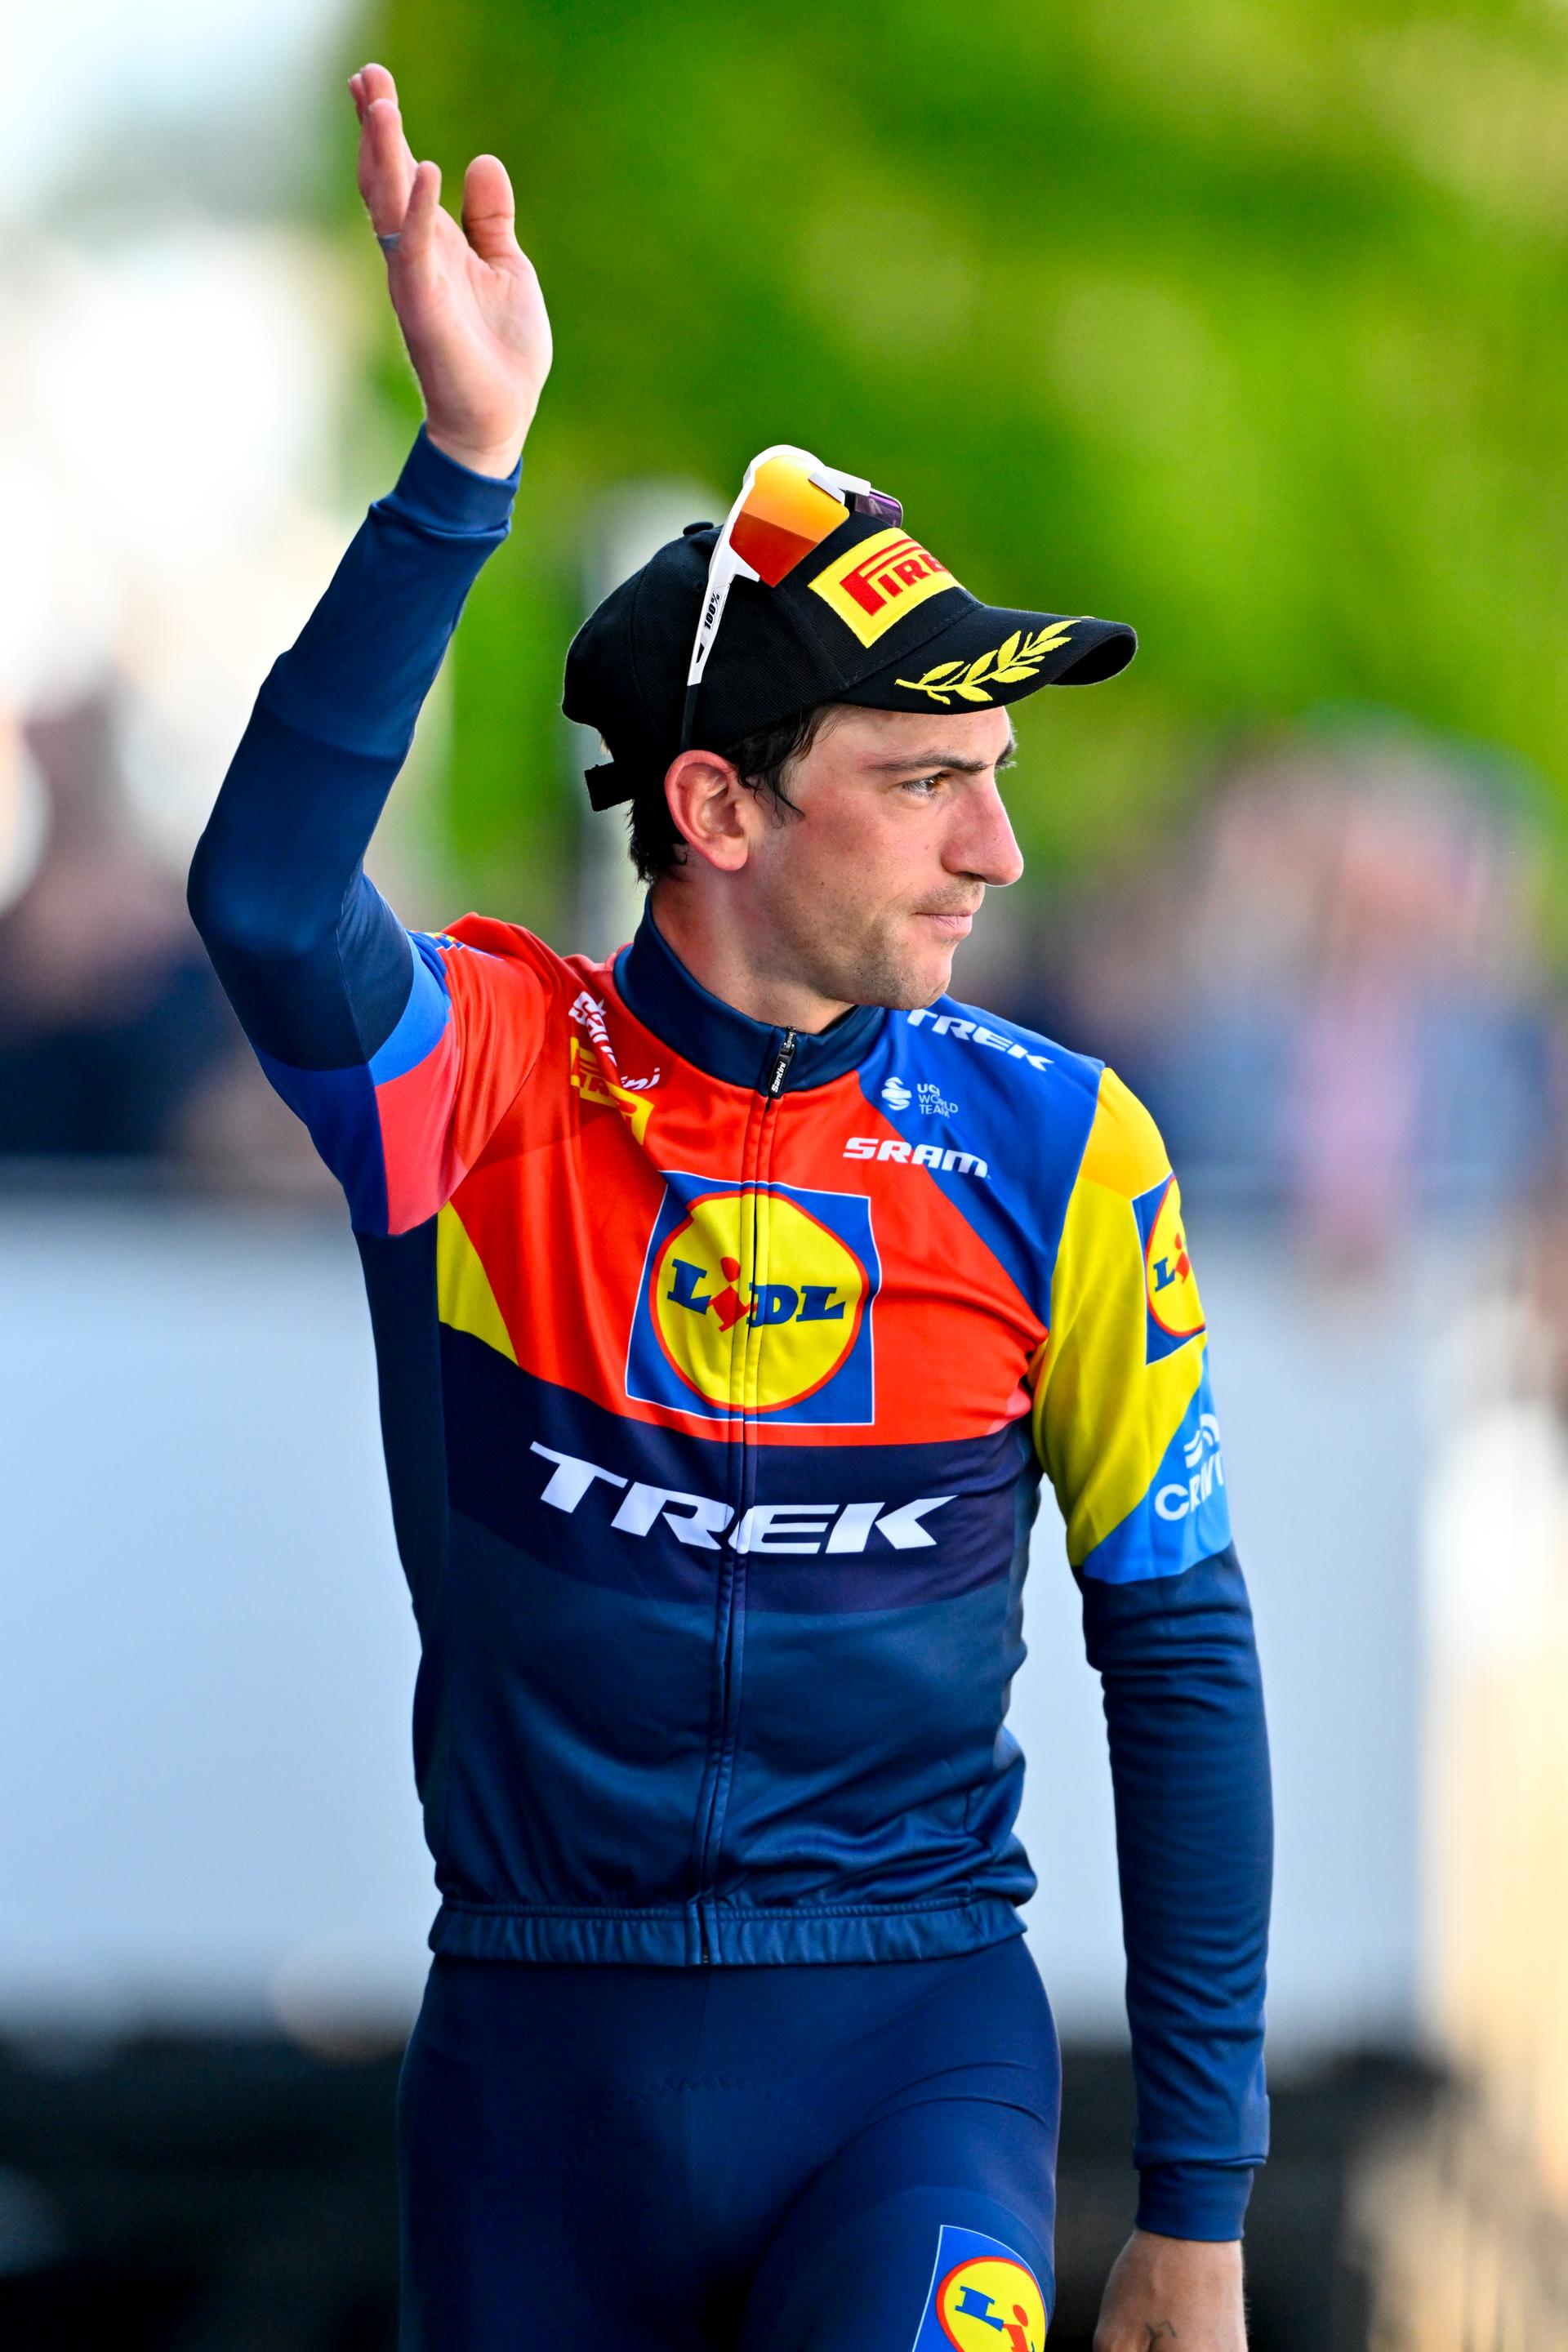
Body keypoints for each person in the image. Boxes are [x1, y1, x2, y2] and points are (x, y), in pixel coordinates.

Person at [188, 62, 1271, 2352]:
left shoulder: (1064, 1148)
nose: (997, 849)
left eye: (998, 779)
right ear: (718, 808)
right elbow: (270, 898)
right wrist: (462, 470)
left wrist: (1202, 2203)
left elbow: (1180, 1654)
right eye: (927, 780)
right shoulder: (486, 1077)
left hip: (911, 2054)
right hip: (533, 2075)